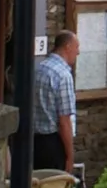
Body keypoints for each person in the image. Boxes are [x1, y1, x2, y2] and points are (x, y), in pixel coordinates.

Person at [32, 31, 79, 173]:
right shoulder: (63, 76)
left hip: (34, 140)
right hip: (53, 143)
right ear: (67, 46)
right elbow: (64, 121)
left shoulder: (40, 68)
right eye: (76, 47)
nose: (78, 52)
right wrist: (70, 157)